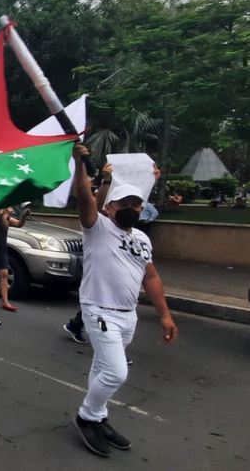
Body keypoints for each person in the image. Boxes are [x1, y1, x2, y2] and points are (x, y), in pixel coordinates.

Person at [70, 144, 178, 458]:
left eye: (136, 202)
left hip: (127, 315)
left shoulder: (142, 238)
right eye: (124, 202)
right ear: (110, 207)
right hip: (99, 309)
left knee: (102, 366)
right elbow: (84, 199)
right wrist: (85, 168)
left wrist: (165, 316)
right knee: (116, 373)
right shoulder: (98, 227)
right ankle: (86, 416)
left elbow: (152, 278)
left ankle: (99, 418)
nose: (131, 207)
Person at [0, 206, 30, 312]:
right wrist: (4, 215)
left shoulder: (6, 217)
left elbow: (19, 224)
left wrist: (23, 216)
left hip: (1, 248)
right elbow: (2, 224)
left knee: (4, 273)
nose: (11, 210)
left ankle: (5, 301)